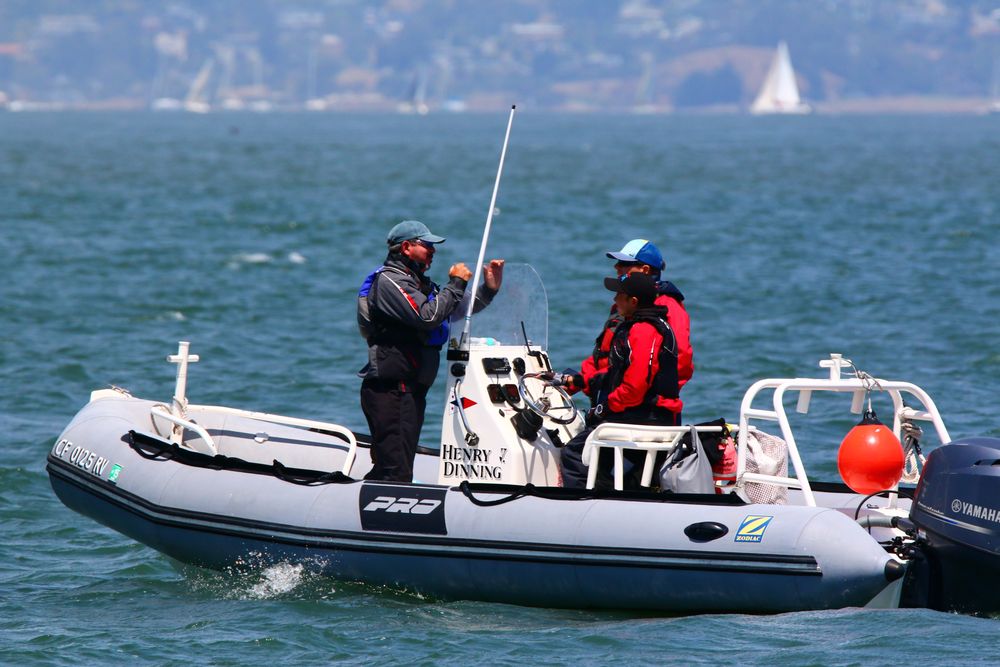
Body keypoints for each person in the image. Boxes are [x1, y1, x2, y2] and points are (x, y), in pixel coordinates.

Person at [357, 219, 504, 483]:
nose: (433, 251)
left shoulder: (419, 284)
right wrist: (456, 283)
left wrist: (489, 288)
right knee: (396, 470)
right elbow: (428, 316)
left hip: (411, 391)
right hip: (391, 391)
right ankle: (381, 512)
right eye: (427, 246)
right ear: (406, 247)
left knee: (397, 463)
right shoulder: (390, 281)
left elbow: (458, 309)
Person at [560, 272, 680, 490]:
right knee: (599, 455)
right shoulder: (638, 326)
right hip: (643, 413)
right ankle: (614, 500)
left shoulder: (644, 330)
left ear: (633, 301)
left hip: (647, 416)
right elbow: (615, 374)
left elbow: (634, 388)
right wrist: (580, 381)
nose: (614, 300)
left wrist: (604, 408)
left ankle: (587, 509)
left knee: (574, 454)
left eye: (619, 296)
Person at [561, 239, 692, 421]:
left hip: (644, 409)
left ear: (645, 270)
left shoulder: (668, 307)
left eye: (624, 264)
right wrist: (579, 381)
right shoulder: (623, 304)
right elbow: (610, 354)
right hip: (612, 396)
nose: (616, 267)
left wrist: (647, 394)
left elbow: (680, 361)